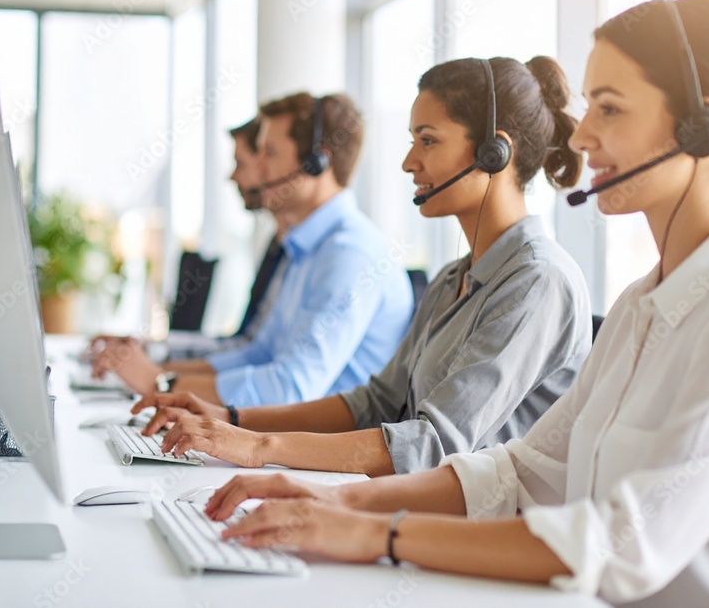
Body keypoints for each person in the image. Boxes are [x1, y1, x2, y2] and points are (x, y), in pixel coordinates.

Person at [191, 0, 709, 607]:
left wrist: (375, 534)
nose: (583, 135)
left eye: (610, 109)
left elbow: (622, 546)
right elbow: (522, 472)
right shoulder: (640, 306)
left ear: (701, 127)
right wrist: (341, 502)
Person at [133, 56, 593, 477]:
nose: (408, 162)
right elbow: (377, 403)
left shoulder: (537, 282)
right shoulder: (453, 279)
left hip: (480, 527)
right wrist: (232, 419)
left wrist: (257, 446)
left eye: (428, 140)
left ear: (493, 153)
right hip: (411, 504)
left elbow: (430, 446)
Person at [91, 92, 414, 406]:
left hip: (317, 441)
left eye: (269, 153)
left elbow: (291, 388)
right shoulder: (305, 247)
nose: (257, 170)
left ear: (318, 162)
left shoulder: (349, 254)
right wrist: (160, 373)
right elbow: (258, 354)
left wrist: (162, 383)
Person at [89, 117, 288, 362]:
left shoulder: (295, 251)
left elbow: (248, 351)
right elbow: (241, 345)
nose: (232, 176)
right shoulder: (277, 243)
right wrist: (145, 349)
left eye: (241, 163)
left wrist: (157, 373)